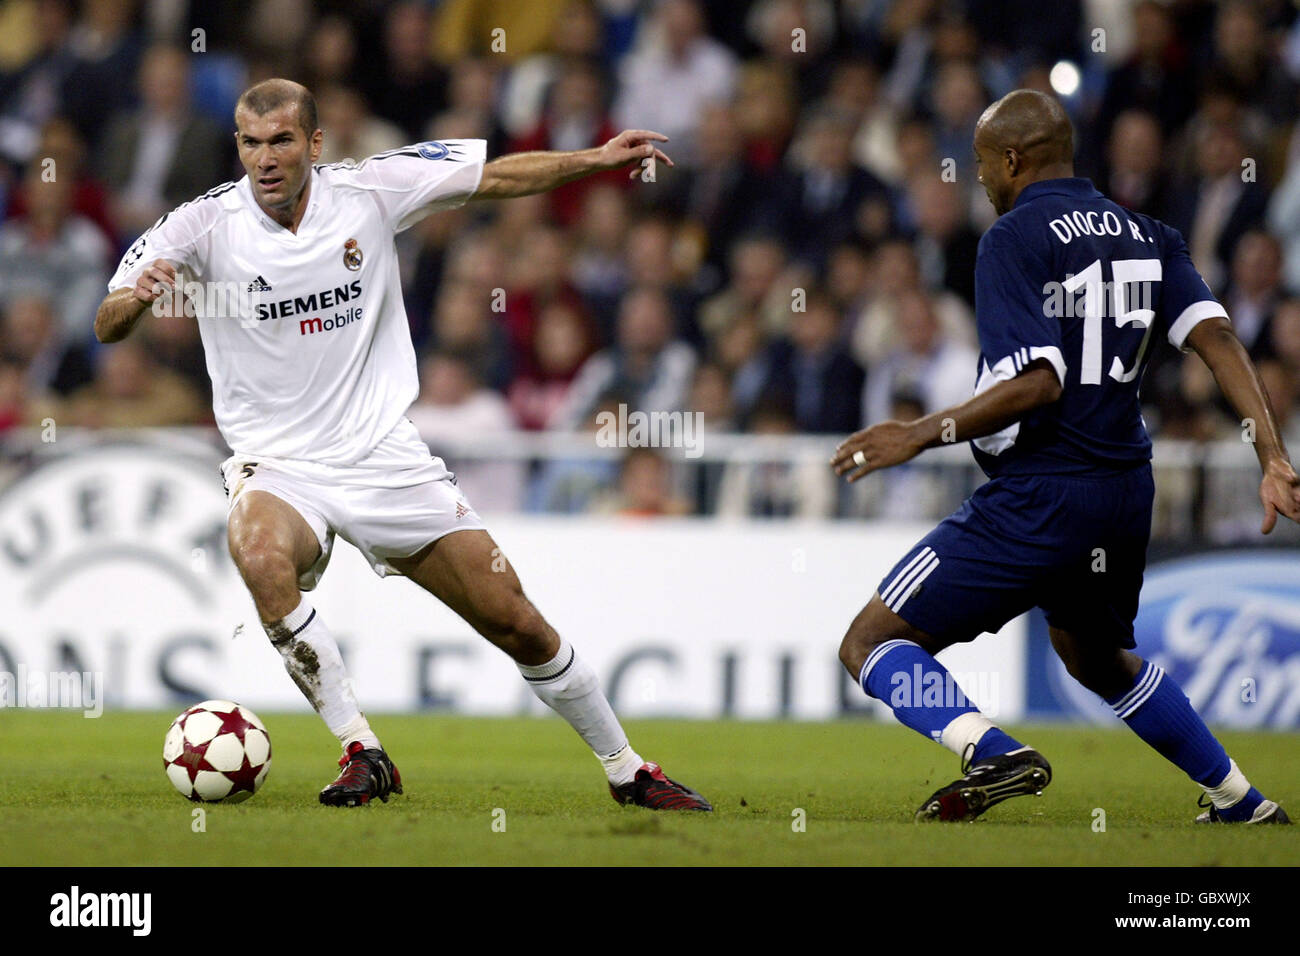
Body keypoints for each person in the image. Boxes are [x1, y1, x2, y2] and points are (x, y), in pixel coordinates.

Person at [93, 79, 711, 812]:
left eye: (282, 140)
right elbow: (106, 321)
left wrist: (594, 159)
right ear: (238, 145)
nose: (265, 158)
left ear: (314, 145)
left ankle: (626, 767)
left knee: (515, 618)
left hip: (385, 456)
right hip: (281, 466)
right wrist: (138, 298)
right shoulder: (199, 227)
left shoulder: (372, 189)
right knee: (256, 549)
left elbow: (496, 177)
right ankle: (362, 749)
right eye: (251, 143)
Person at [831, 89, 1300, 824]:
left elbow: (1037, 381)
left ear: (1013, 160)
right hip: (1123, 493)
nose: (981, 180)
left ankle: (989, 750)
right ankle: (1239, 798)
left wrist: (919, 432)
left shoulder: (1013, 236)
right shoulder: (1148, 233)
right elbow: (1219, 341)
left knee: (870, 642)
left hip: (1044, 492)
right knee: (1096, 660)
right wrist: (1272, 454)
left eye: (984, 164)